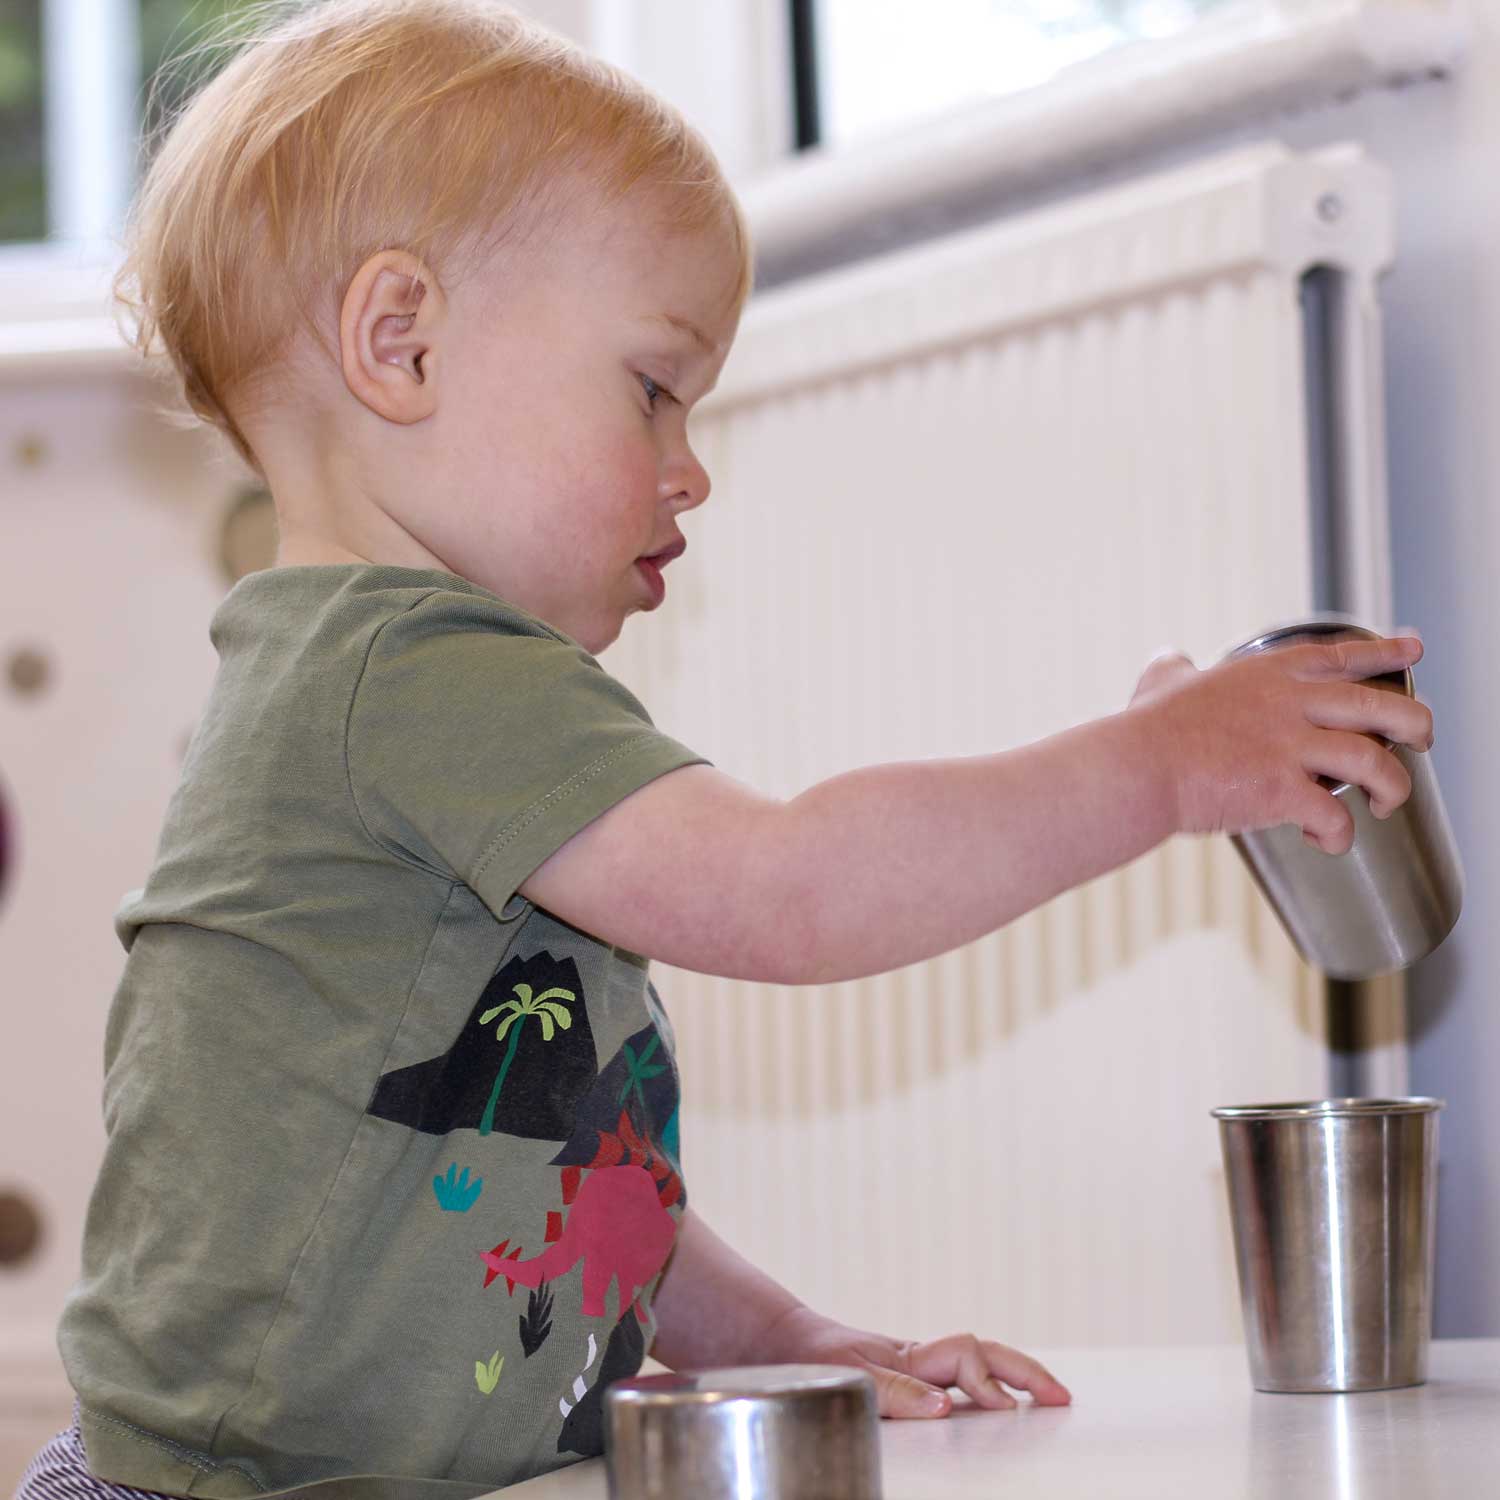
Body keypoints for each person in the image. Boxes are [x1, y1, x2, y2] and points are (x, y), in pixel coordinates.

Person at [19, 2, 1435, 1496]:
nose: (690, 466)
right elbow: (793, 890)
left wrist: (784, 1336)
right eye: (652, 388)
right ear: (401, 343)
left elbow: (557, 1161)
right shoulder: (408, 669)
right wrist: (1152, 767)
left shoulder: (394, 694)